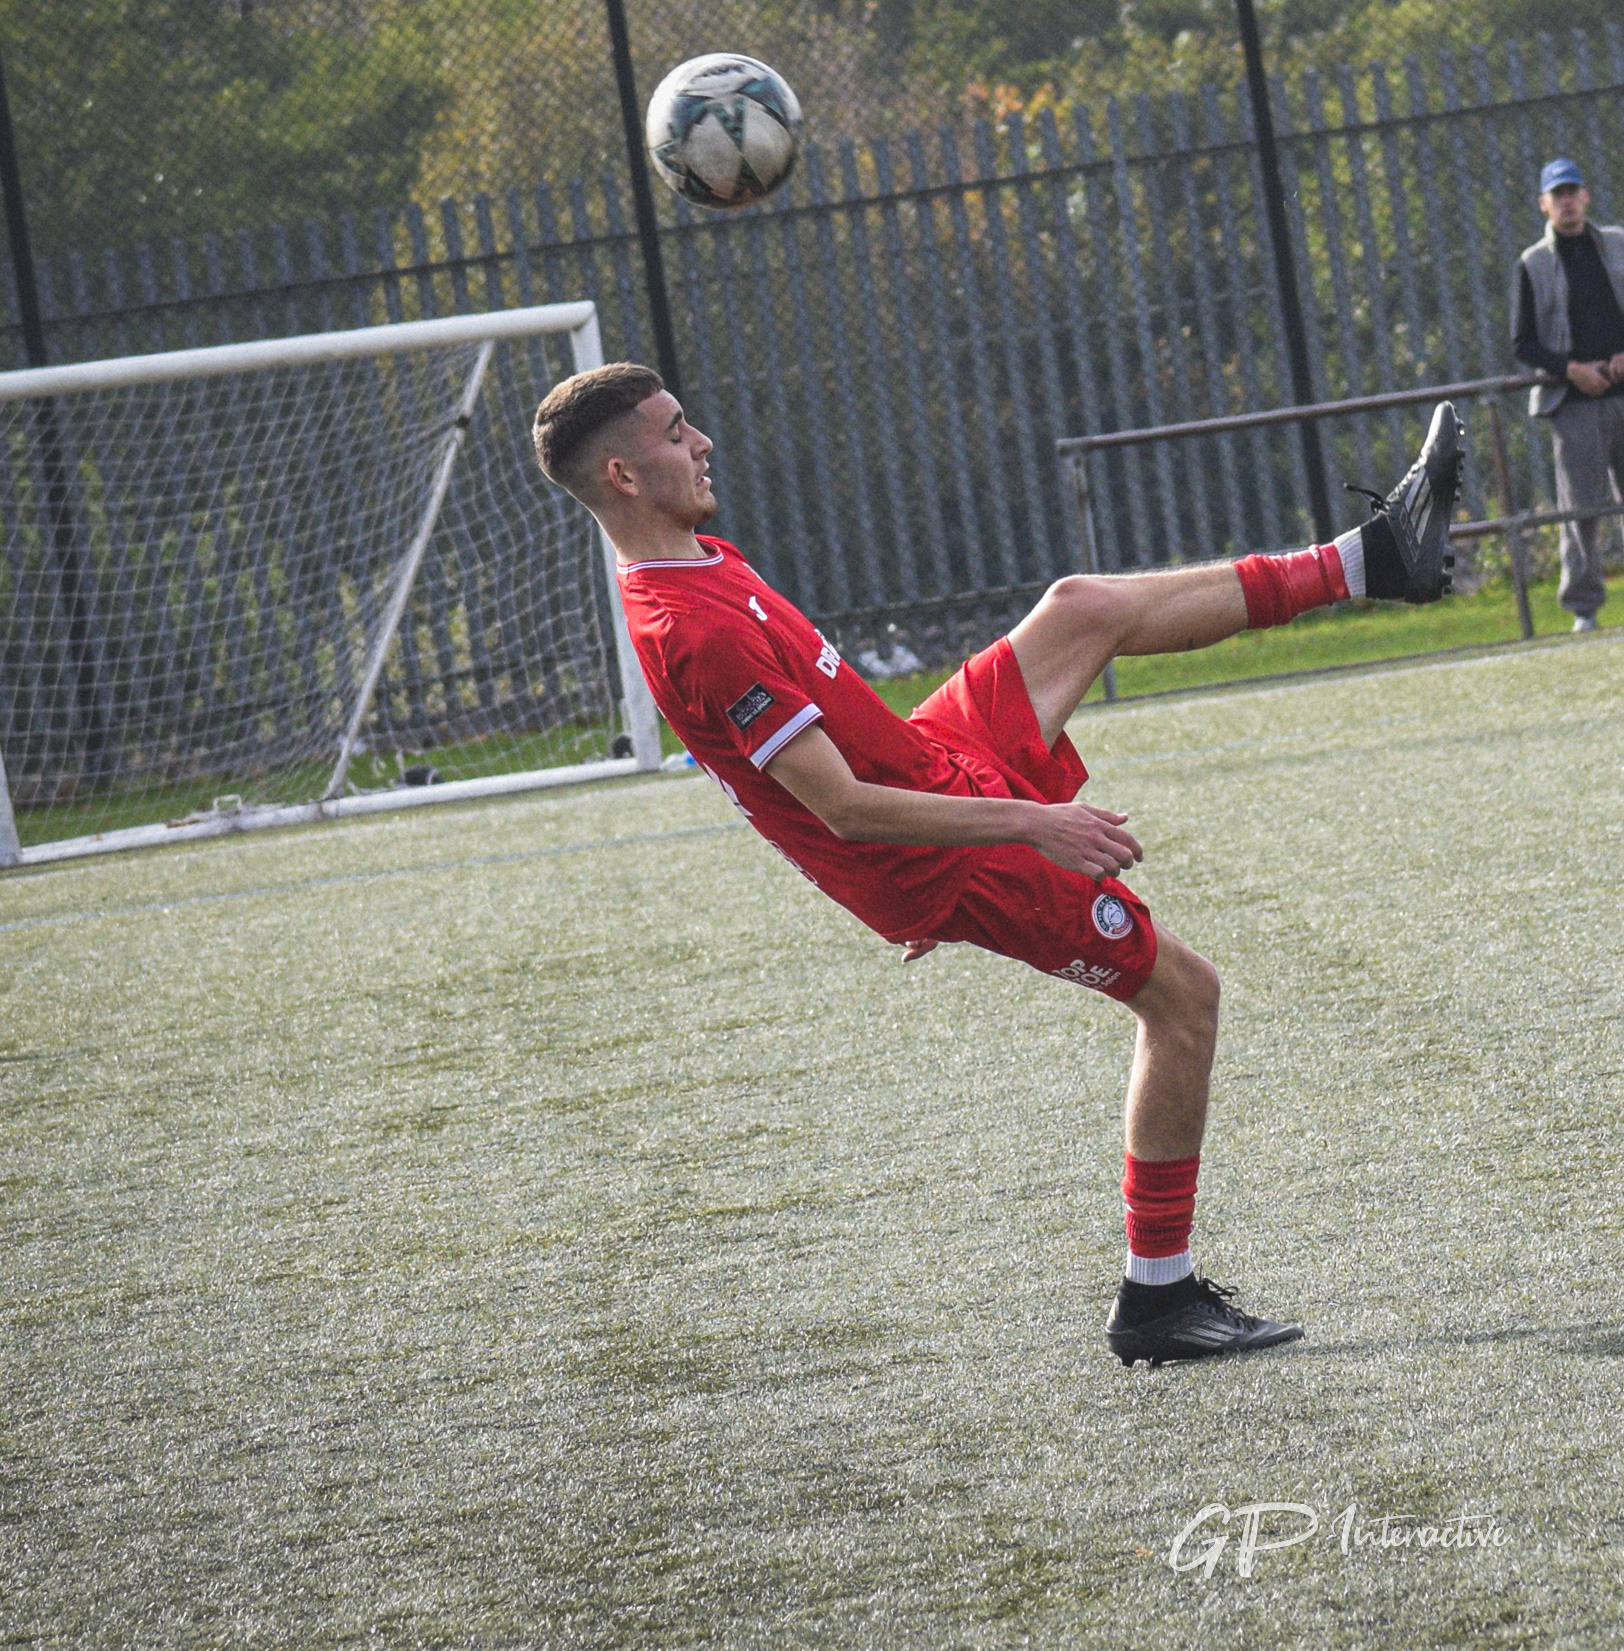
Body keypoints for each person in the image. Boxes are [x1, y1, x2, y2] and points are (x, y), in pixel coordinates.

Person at [531, 364, 1465, 1365]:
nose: (703, 440)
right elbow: (840, 807)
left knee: (1079, 606)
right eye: (677, 433)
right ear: (625, 475)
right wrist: (1024, 826)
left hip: (930, 762)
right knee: (1185, 996)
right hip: (941, 850)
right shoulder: (692, 630)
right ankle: (1159, 1297)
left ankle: (1372, 560)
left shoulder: (697, 558)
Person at [1510, 157, 1624, 630]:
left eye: (1572, 191)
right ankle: (1583, 608)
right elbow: (1522, 342)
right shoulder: (1533, 263)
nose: (1566, 201)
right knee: (1580, 511)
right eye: (1556, 194)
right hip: (1575, 406)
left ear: (1585, 196)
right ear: (1544, 205)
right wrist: (1571, 370)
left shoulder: (1619, 244)